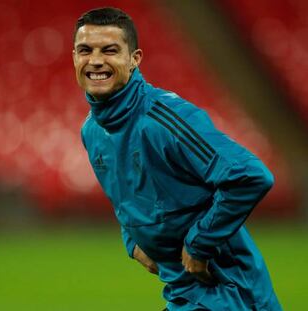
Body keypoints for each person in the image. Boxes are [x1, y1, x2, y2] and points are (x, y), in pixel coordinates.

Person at [73, 7, 282, 311]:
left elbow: (249, 175)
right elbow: (123, 195)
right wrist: (132, 243)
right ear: (74, 57)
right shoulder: (92, 130)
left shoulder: (163, 119)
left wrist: (199, 243)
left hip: (228, 292)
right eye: (85, 50)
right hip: (182, 291)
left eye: (110, 50)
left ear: (134, 59)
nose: (95, 60)